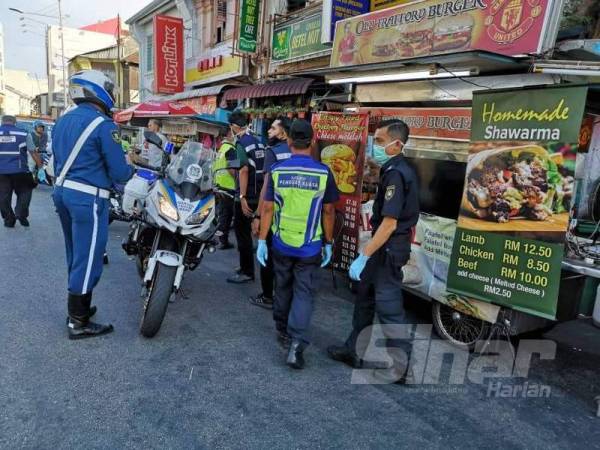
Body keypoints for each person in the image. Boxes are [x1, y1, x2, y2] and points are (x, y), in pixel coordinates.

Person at [327, 119, 419, 384]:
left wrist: (365, 254)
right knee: (364, 299)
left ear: (396, 144)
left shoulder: (397, 174)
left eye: (379, 141)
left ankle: (403, 369)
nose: (374, 146)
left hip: (387, 249)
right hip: (382, 247)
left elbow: (389, 223)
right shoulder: (393, 168)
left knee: (389, 308)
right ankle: (352, 349)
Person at [52, 70, 134, 339]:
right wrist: (130, 169)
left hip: (63, 192)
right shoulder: (103, 125)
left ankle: (79, 307)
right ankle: (78, 321)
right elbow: (120, 173)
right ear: (98, 90)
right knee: (89, 258)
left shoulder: (63, 121)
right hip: (88, 197)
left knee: (75, 253)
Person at [257, 119, 338, 369]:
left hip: (281, 242)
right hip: (310, 246)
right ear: (312, 142)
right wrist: (328, 242)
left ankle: (282, 331)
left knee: (282, 287)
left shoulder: (279, 170)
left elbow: (268, 207)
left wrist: (261, 240)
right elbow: (328, 211)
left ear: (289, 141)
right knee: (303, 292)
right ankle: (296, 345)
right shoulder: (324, 172)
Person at [249, 116, 292, 309]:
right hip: (295, 216)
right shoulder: (301, 153)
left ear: (283, 133)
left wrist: (258, 216)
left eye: (273, 129)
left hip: (274, 213)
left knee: (266, 254)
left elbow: (267, 188)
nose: (269, 131)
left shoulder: (272, 152)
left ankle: (268, 296)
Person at [226, 110, 266, 284]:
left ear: (234, 127)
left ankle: (247, 271)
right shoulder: (258, 142)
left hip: (246, 195)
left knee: (242, 235)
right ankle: (245, 266)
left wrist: (241, 196)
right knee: (250, 234)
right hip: (259, 194)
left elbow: (242, 170)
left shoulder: (241, 143)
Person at [0, 115, 42, 227]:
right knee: (25, 192)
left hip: (1, 173)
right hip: (20, 171)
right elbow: (33, 152)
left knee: (3, 197)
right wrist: (41, 168)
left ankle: (9, 219)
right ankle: (21, 214)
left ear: (2, 122)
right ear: (15, 122)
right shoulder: (23, 134)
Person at [213, 127, 237, 250]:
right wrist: (239, 180)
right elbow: (232, 168)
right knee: (228, 216)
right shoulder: (231, 149)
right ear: (229, 134)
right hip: (229, 186)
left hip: (220, 185)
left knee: (223, 214)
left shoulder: (221, 149)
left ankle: (222, 240)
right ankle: (223, 241)